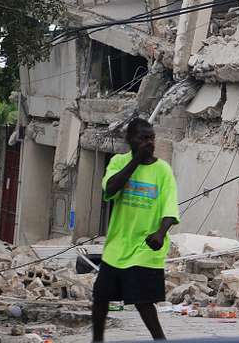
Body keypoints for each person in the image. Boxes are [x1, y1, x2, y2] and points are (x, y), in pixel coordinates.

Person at [92, 117, 178, 341]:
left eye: (151, 138)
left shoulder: (163, 170)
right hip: (117, 245)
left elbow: (170, 207)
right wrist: (135, 161)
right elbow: (110, 189)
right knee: (100, 295)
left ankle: (160, 339)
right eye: (143, 139)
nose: (149, 143)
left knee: (142, 301)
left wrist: (160, 233)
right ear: (130, 140)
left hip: (145, 247)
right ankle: (97, 339)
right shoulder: (119, 163)